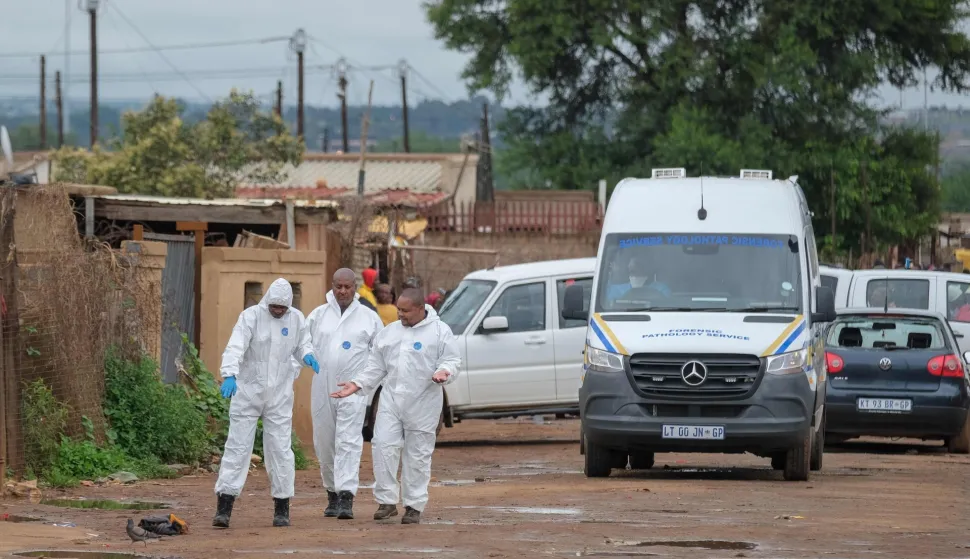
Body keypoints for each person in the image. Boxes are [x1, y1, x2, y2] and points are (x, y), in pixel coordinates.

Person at [330, 288, 461, 525]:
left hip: (423, 403)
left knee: (417, 455)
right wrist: (357, 384)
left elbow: (451, 360)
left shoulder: (440, 331)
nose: (400, 314)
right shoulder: (389, 333)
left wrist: (445, 372)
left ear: (421, 309)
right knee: (383, 447)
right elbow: (375, 368)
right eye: (398, 309)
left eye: (405, 311)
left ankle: (413, 505)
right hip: (391, 401)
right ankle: (387, 502)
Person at [212, 278, 320, 529]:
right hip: (248, 392)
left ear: (289, 305)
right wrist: (229, 373)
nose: (278, 311)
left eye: (282, 308)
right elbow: (235, 346)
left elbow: (302, 344)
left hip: (279, 396)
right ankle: (224, 507)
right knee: (238, 448)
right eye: (274, 307)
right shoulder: (251, 317)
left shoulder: (296, 319)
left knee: (280, 450)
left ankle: (282, 507)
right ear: (267, 301)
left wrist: (307, 355)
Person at [306, 268, 385, 521]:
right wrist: (304, 356)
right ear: (332, 286)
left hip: (354, 390)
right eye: (338, 286)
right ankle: (331, 492)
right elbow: (300, 344)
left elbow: (380, 355)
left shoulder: (369, 318)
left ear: (355, 287)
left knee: (349, 442)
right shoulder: (318, 316)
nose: (342, 291)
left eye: (347, 287)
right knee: (325, 443)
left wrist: (365, 384)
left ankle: (346, 498)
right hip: (323, 389)